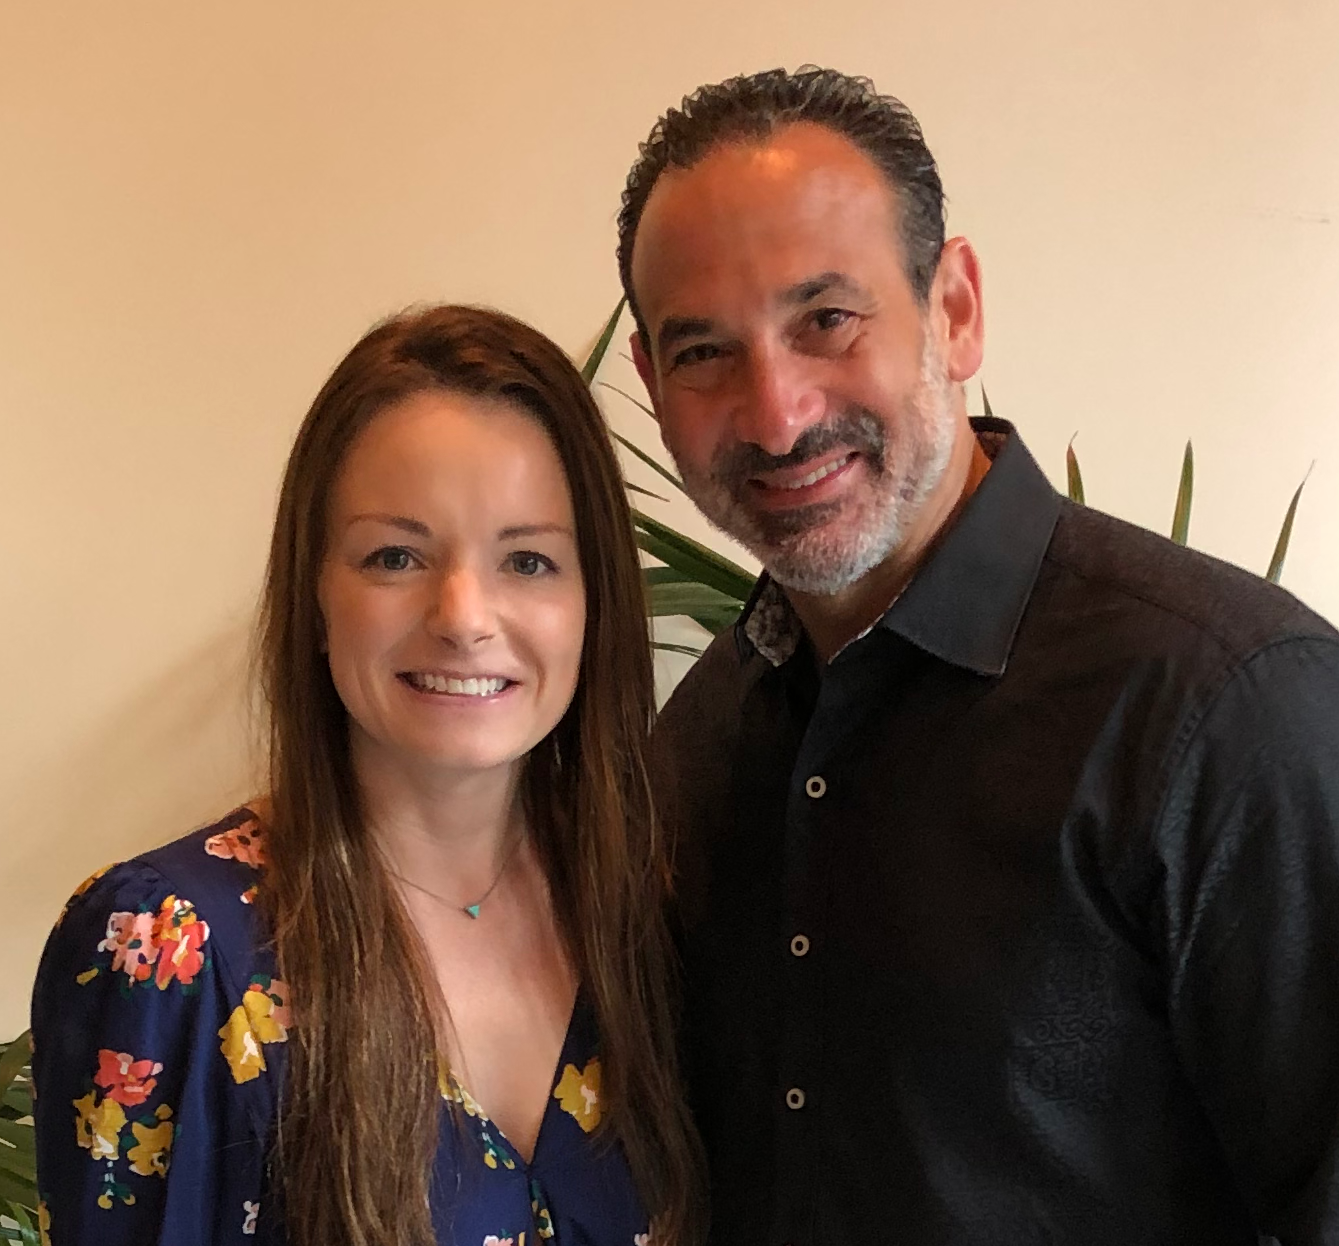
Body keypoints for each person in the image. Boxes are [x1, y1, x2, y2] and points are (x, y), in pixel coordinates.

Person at [620, 66, 1339, 1245]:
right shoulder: (692, 741)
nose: (777, 413)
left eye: (825, 319)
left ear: (952, 309)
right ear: (652, 384)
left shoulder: (1225, 707)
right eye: (703, 350)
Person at [31, 305, 702, 1246]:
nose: (463, 616)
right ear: (314, 593)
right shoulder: (171, 950)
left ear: (594, 603)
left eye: (528, 560)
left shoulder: (651, 911)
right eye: (396, 556)